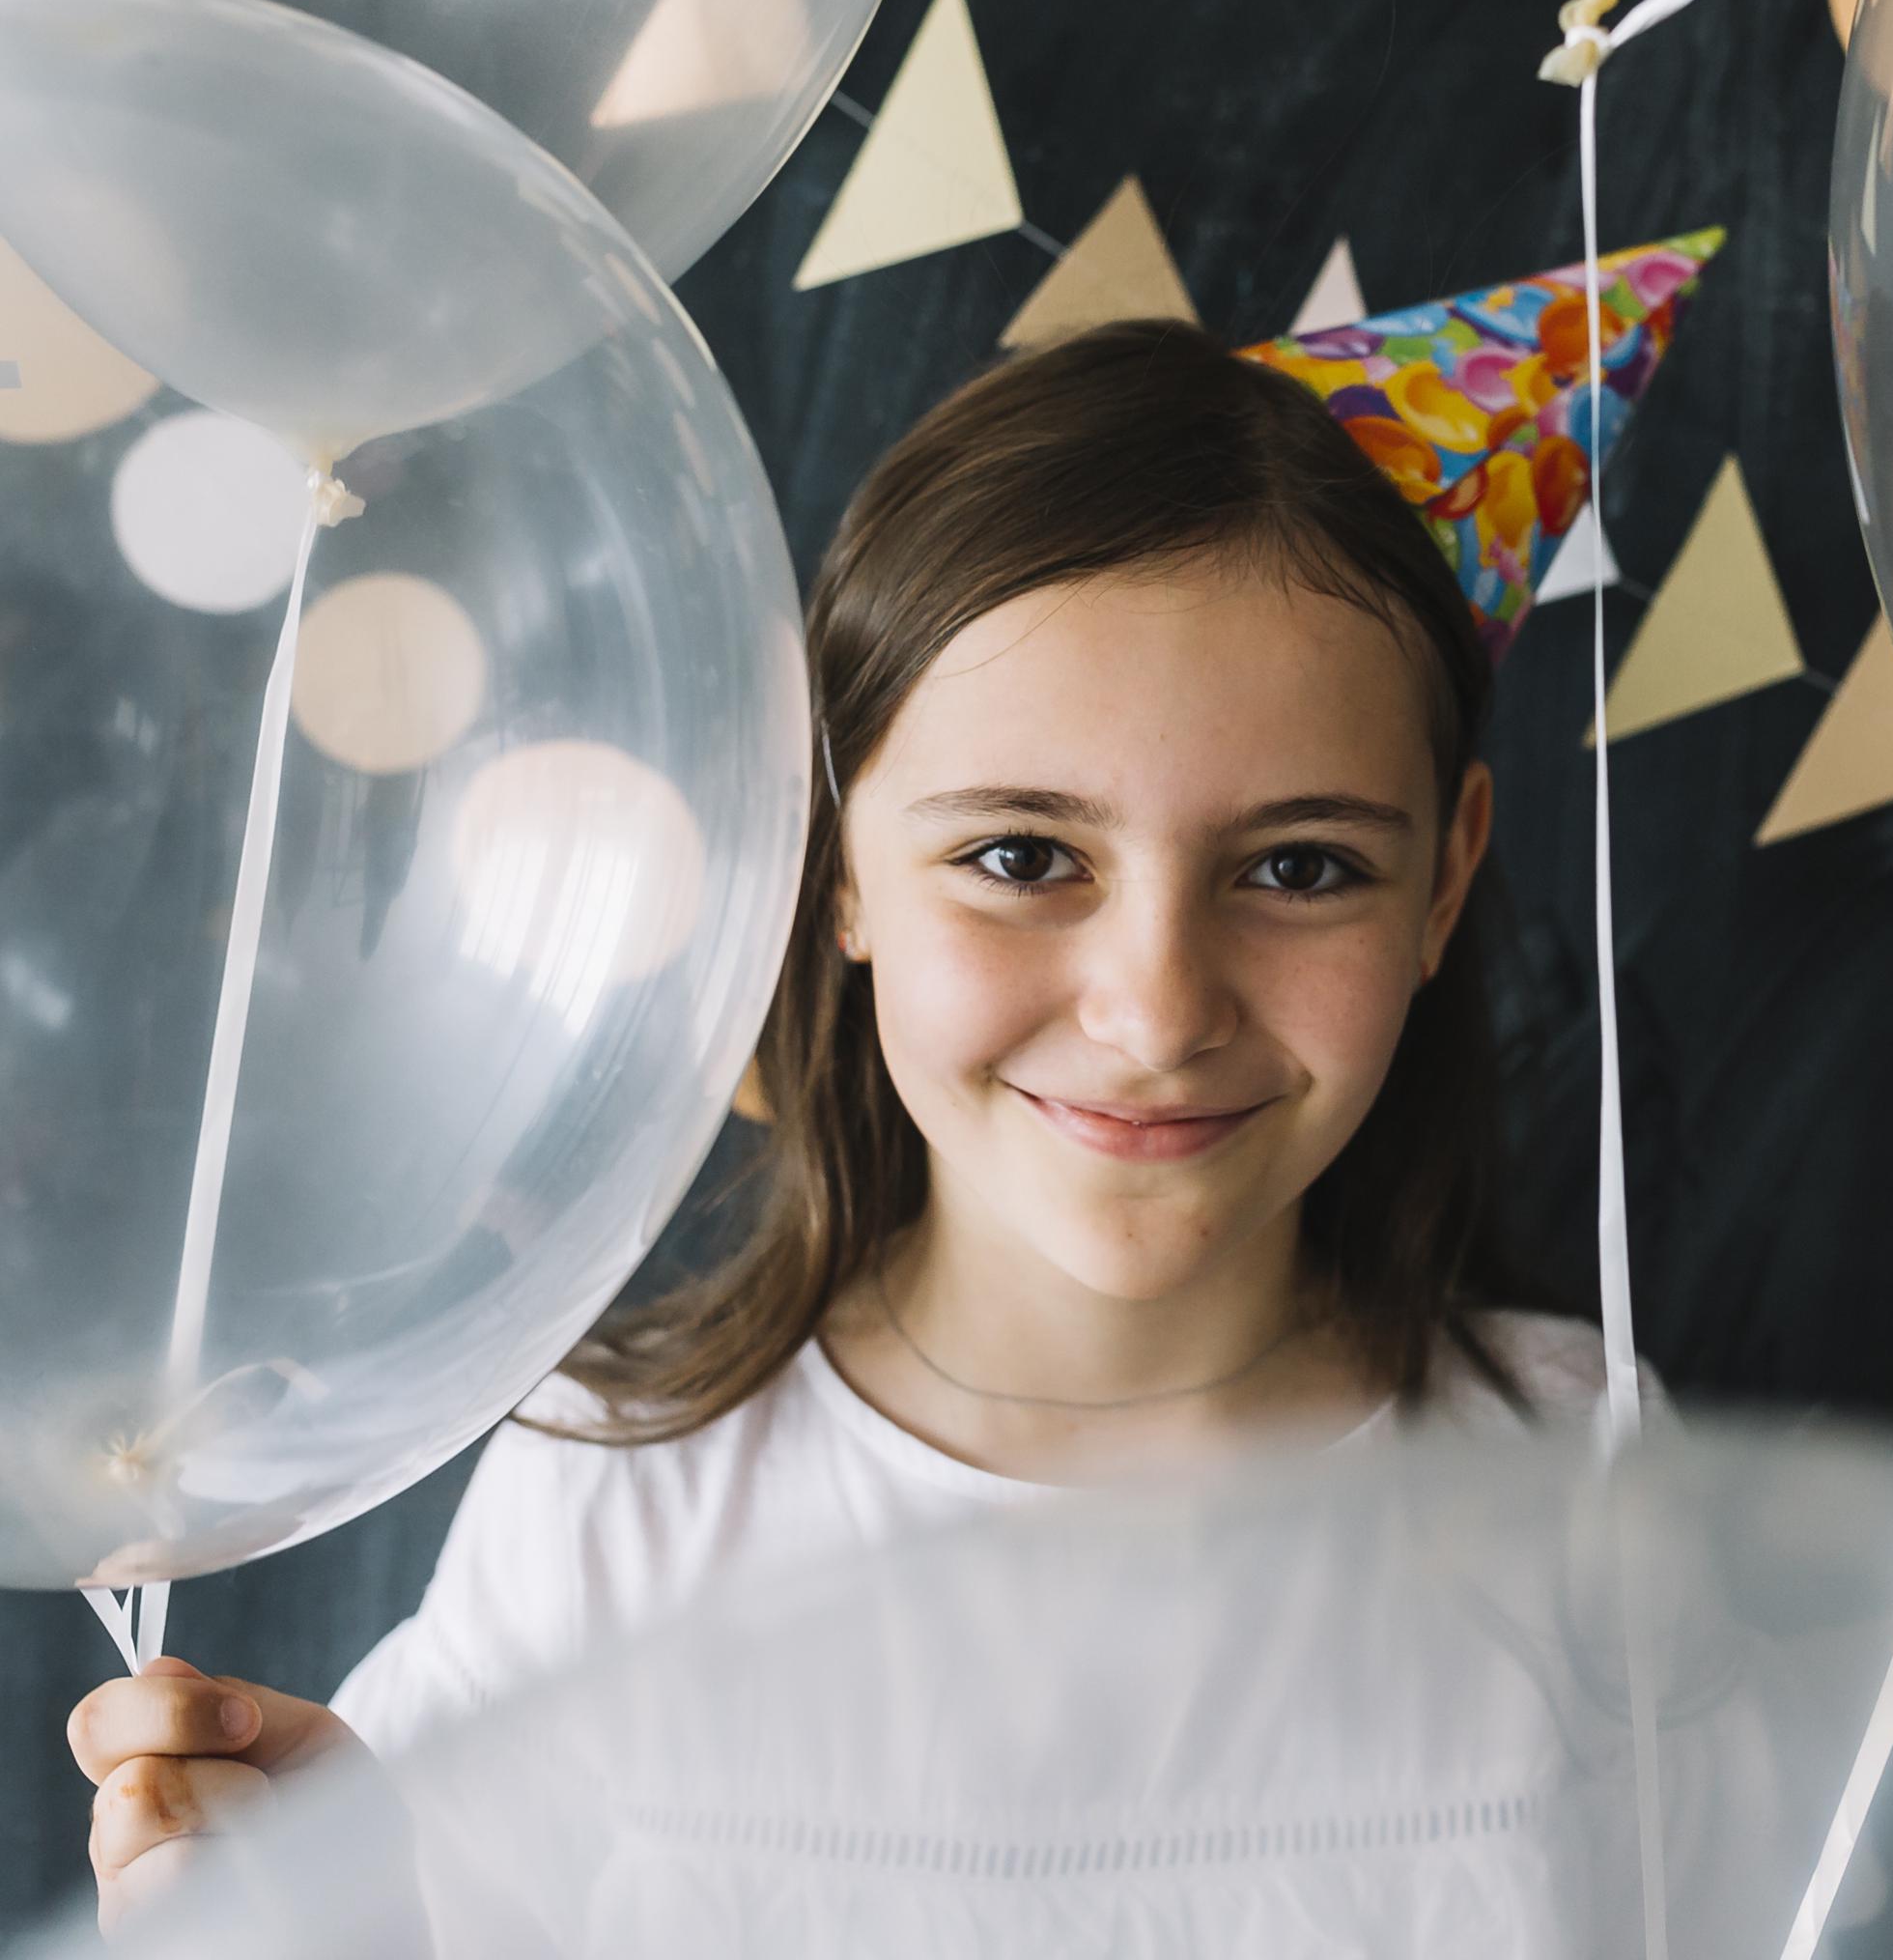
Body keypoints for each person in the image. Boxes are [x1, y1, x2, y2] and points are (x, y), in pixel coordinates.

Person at [68, 323, 1629, 1937]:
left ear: (1444, 878)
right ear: (835, 863)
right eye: (1024, 857)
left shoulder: (1598, 1488)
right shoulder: (620, 1508)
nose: (1158, 1015)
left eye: (1300, 867)